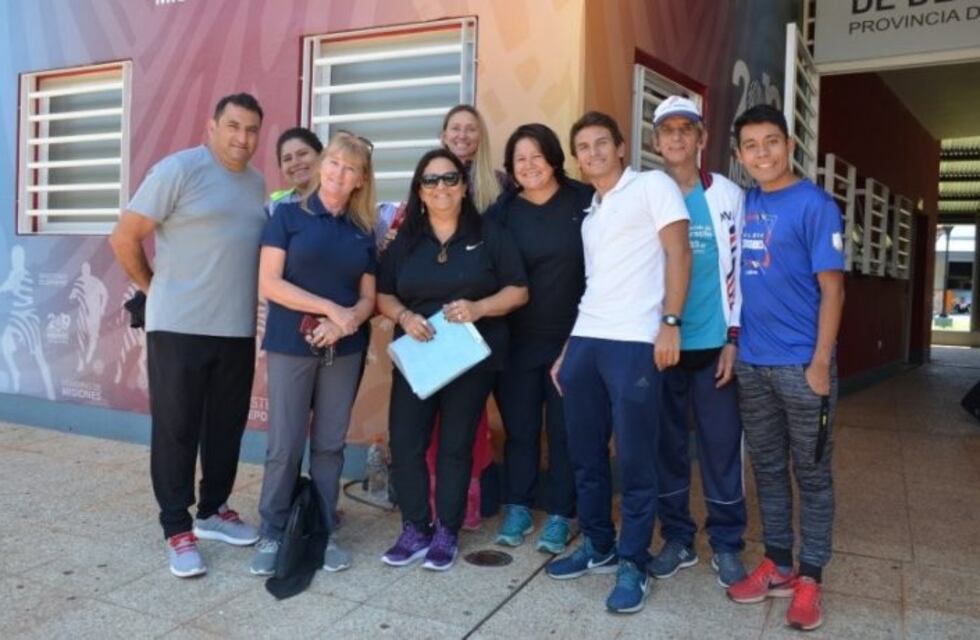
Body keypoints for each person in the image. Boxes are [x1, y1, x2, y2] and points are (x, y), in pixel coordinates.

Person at [108, 93, 267, 578]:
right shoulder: (179, 169)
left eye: (252, 130)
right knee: (177, 430)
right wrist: (154, 289)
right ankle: (176, 527)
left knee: (225, 427)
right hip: (179, 327)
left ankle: (214, 511)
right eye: (234, 126)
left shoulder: (257, 183)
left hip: (236, 328)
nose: (243, 138)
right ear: (212, 125)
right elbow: (124, 236)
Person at [546, 111, 691, 614]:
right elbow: (597, 286)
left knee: (633, 458)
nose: (593, 153)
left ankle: (633, 559)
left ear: (622, 147)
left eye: (601, 143)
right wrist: (570, 346)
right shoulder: (591, 213)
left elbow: (678, 255)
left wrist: (670, 322)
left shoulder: (653, 186)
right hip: (588, 339)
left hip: (635, 341)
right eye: (582, 147)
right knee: (584, 454)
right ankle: (599, 545)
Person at [377, 148, 528, 571]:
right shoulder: (405, 239)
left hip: (468, 358)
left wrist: (479, 309)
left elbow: (518, 290)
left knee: (457, 446)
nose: (440, 187)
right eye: (431, 180)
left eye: (449, 178)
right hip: (418, 354)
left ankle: (446, 530)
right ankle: (414, 527)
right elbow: (384, 293)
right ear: (419, 192)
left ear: (463, 187)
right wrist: (404, 316)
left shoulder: (491, 234)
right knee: (406, 442)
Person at [725, 104, 845, 632]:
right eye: (751, 145)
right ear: (739, 155)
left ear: (789, 145)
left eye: (771, 142)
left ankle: (811, 576)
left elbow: (833, 288)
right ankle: (778, 561)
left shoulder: (816, 205)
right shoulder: (746, 201)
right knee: (768, 469)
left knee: (812, 473)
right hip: (753, 363)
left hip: (803, 367)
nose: (762, 153)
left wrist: (821, 362)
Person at [249, 131, 378, 576]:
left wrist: (346, 321)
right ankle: (272, 529)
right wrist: (328, 309)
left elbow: (368, 298)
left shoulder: (363, 231)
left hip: (344, 350)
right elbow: (270, 284)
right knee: (284, 444)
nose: (339, 173)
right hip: (290, 343)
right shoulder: (286, 217)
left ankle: (323, 530)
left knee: (329, 446)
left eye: (350, 168)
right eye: (334, 163)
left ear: (361, 180)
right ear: (322, 165)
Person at [644, 96, 748, 588]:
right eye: (668, 131)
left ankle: (727, 543)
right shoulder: (647, 192)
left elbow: (741, 272)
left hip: (713, 345)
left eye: (687, 129)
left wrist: (734, 337)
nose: (677, 138)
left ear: (702, 138)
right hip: (661, 347)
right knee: (667, 447)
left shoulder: (727, 194)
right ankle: (679, 539)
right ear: (655, 141)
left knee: (721, 448)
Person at [485, 123, 592, 554]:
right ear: (510, 167)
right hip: (516, 340)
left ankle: (563, 515)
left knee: (566, 431)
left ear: (553, 157)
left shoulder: (585, 201)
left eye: (536, 156)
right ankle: (519, 506)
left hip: (574, 338)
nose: (529, 166)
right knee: (521, 430)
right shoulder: (502, 213)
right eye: (519, 159)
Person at [267, 127, 324, 217]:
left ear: (321, 155)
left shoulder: (339, 200)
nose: (295, 163)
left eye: (302, 154)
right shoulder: (275, 206)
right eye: (287, 159)